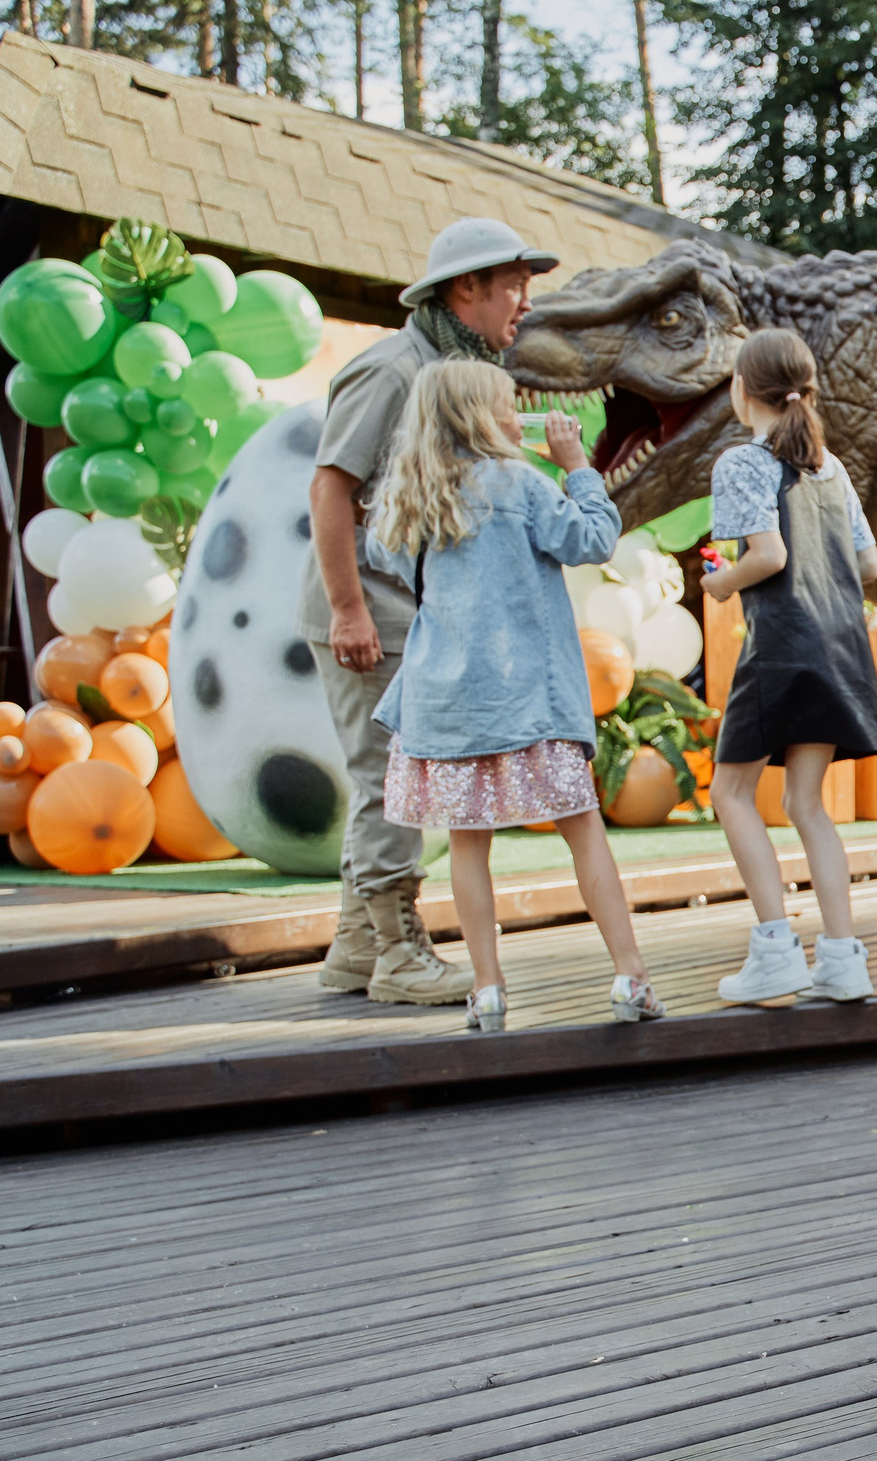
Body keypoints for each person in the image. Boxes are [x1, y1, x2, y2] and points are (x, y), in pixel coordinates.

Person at [301, 217, 560, 1007]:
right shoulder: (393, 372)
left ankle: (358, 944)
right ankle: (400, 952)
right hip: (366, 610)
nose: (524, 301)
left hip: (409, 611)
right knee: (390, 778)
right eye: (512, 283)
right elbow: (330, 488)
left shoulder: (453, 369)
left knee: (384, 774)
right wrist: (349, 608)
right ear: (465, 288)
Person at [364, 361, 663, 1034]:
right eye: (509, 407)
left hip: (450, 706)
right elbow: (592, 539)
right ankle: (629, 976)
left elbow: (387, 556)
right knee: (582, 829)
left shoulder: (411, 494)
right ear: (484, 417)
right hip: (531, 698)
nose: (517, 414)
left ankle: (489, 990)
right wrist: (576, 465)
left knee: (469, 847)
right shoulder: (523, 484)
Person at [700, 328, 877, 1006]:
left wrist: (723, 584)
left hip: (780, 648)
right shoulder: (829, 467)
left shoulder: (742, 462)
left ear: (742, 389)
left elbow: (769, 555)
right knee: (806, 804)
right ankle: (842, 959)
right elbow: (869, 566)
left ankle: (775, 949)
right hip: (841, 649)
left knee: (729, 793)